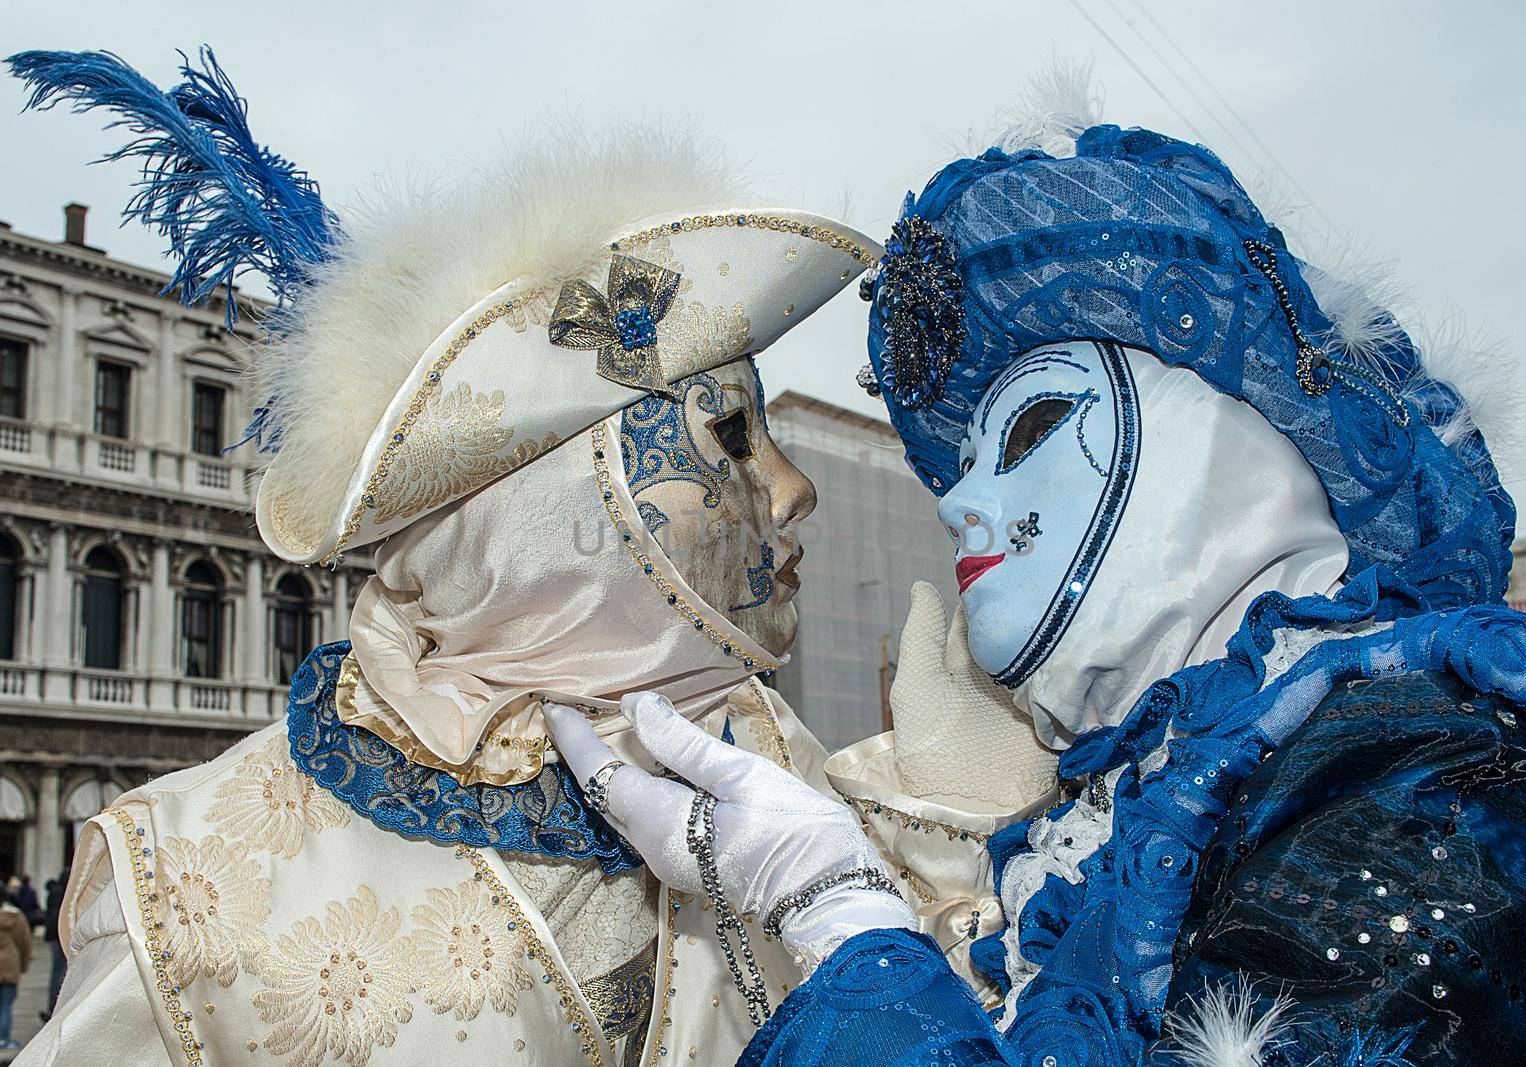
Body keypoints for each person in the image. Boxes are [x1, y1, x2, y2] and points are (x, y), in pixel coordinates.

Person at [551, 77, 1526, 1066]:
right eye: (959, 470)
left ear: (1216, 461)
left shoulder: (1432, 773)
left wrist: (836, 905)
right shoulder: (1119, 822)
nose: (962, 504)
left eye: (1036, 428)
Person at [7, 46, 876, 1065]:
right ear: (554, 519)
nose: (790, 486)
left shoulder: (787, 776)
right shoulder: (193, 881)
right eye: (731, 435)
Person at [0, 896, 28, 1051]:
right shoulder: (15, 917)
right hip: (9, 963)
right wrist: (23, 964)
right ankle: (4, 1038)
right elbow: (24, 941)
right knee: (5, 1004)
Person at [39, 871, 66, 1022]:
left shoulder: (54, 893)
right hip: (59, 935)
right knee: (60, 971)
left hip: (54, 936)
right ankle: (55, 1005)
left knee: (57, 971)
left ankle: (54, 1004)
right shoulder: (59, 893)